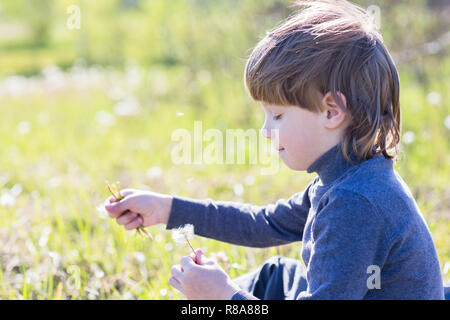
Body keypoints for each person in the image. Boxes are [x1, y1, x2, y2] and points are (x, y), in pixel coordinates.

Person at [104, 0, 445, 300]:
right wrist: (166, 209)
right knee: (275, 278)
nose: (266, 131)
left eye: (277, 115)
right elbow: (264, 223)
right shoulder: (348, 175)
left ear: (331, 111)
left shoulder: (355, 203)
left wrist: (224, 295)